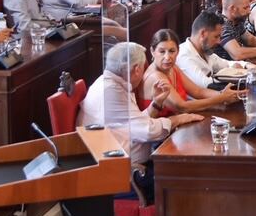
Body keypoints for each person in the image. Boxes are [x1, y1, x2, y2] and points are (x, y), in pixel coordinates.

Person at [76, 42, 204, 198]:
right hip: (120, 175)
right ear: (137, 69)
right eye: (143, 68)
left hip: (124, 162)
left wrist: (156, 104)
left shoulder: (111, 82)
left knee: (185, 162)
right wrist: (178, 119)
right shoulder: (111, 91)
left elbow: (133, 124)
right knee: (189, 173)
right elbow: (148, 131)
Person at [142, 29, 245, 114]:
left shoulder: (173, 68)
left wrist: (224, 94)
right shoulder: (156, 76)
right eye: (162, 51)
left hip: (180, 126)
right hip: (163, 135)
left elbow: (198, 91)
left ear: (177, 51)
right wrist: (221, 98)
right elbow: (182, 106)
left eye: (172, 51)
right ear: (152, 51)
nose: (167, 57)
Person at [177, 11, 256, 89]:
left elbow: (227, 63)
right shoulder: (184, 55)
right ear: (203, 34)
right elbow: (206, 84)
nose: (219, 41)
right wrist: (232, 73)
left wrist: (248, 66)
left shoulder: (206, 51)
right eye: (216, 36)